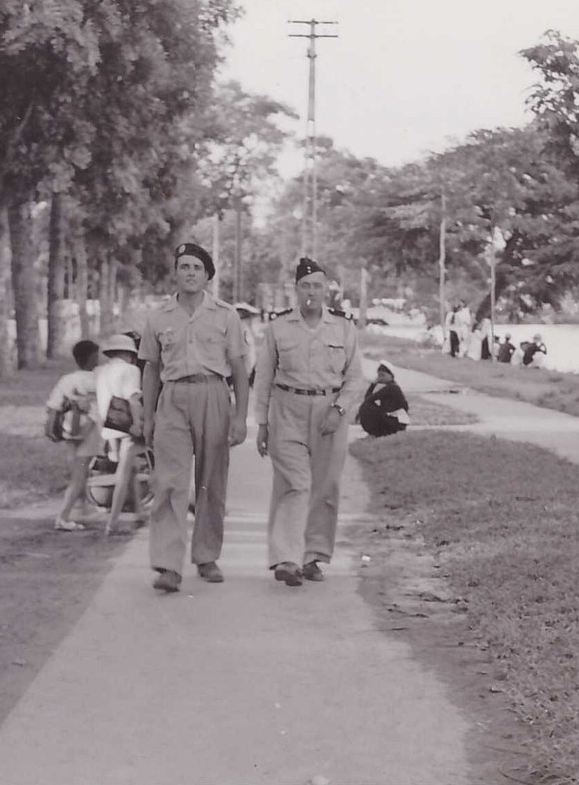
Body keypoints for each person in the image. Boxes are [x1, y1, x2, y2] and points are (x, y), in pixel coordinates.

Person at [140, 242, 249, 594]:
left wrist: (240, 417)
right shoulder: (158, 316)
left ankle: (206, 556)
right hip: (172, 397)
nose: (189, 273)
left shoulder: (226, 315)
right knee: (169, 483)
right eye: (184, 266)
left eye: (196, 268)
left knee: (210, 481)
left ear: (207, 276)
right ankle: (168, 565)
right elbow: (151, 369)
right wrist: (147, 415)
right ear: (175, 272)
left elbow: (238, 368)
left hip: (214, 393)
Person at [254, 257, 366, 586]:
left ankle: (313, 556)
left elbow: (355, 377)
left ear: (327, 290)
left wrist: (339, 410)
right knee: (295, 483)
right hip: (287, 408)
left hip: (329, 411)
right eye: (305, 286)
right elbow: (263, 378)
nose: (311, 292)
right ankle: (286, 558)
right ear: (296, 290)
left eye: (317, 286)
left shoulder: (344, 327)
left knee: (325, 487)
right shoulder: (278, 327)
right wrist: (262, 423)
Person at [45, 339, 103, 531]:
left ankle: (83, 507)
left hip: (69, 431)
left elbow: (53, 405)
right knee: (79, 475)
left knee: (79, 471)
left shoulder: (67, 380)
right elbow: (98, 410)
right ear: (93, 358)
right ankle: (62, 517)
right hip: (89, 433)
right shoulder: (97, 379)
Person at [96, 334, 145, 537]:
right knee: (123, 476)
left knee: (131, 471)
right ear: (128, 353)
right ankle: (112, 522)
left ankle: (140, 512)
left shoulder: (100, 371)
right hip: (127, 427)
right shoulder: (131, 370)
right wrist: (138, 424)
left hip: (108, 427)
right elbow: (133, 399)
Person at [358, 360, 409, 438]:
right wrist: (373, 384)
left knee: (367, 407)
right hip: (390, 420)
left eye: (383, 375)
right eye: (379, 375)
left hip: (395, 424)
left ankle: (377, 432)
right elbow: (367, 399)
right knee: (367, 406)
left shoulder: (392, 388)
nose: (380, 378)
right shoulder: (390, 387)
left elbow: (369, 399)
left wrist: (373, 385)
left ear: (391, 375)